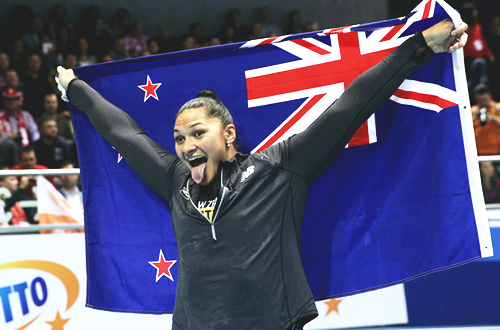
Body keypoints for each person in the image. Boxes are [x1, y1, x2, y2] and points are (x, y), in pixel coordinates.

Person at [56, 20, 467, 330]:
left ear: (229, 134)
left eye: (198, 133)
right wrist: (76, 89)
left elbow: (352, 106)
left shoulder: (280, 168)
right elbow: (123, 133)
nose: (186, 145)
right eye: (180, 138)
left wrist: (417, 47)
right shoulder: (174, 180)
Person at [471, 84, 500, 155]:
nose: (483, 103)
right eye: (480, 101)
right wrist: (474, 118)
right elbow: (464, 129)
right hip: (479, 151)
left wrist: (493, 118)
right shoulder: (474, 110)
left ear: (490, 96)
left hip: (497, 149)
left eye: (485, 100)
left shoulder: (498, 108)